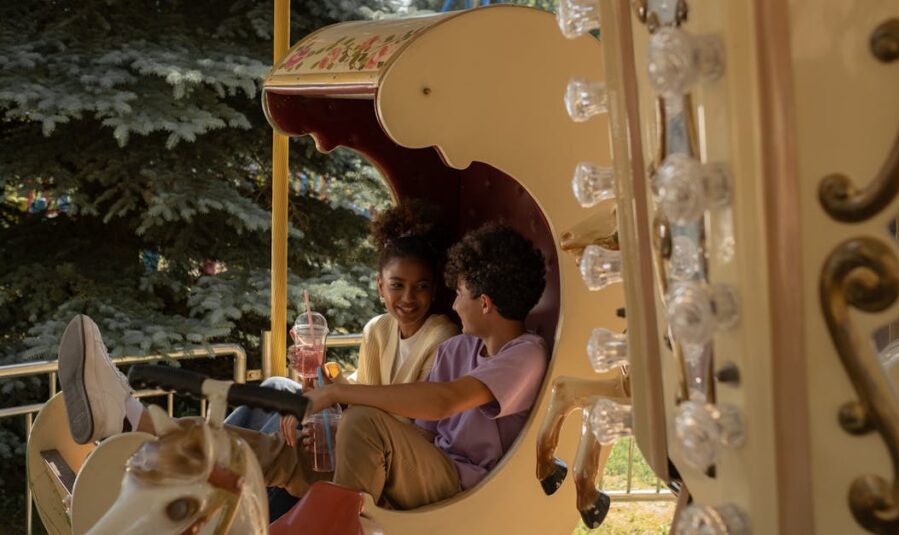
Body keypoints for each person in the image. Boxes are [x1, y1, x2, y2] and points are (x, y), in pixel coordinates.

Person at [58, 223, 549, 511]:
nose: (452, 299)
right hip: (411, 463)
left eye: (459, 290)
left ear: (484, 302)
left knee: (361, 420)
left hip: (462, 486)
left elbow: (444, 402)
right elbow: (419, 430)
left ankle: (329, 522)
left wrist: (341, 399)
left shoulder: (523, 354)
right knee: (277, 451)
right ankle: (134, 420)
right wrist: (332, 422)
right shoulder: (456, 350)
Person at [223, 200, 459, 516]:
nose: (407, 298)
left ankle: (210, 461)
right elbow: (364, 399)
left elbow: (417, 430)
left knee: (295, 448)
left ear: (433, 291)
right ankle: (211, 454)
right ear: (380, 287)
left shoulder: (442, 339)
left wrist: (338, 416)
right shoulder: (378, 330)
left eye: (421, 287)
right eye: (397, 286)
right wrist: (321, 377)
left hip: (400, 460)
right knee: (277, 389)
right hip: (362, 434)